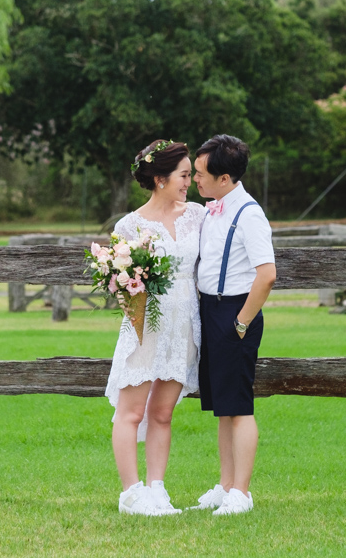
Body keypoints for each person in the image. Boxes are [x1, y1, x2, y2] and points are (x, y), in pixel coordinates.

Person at [106, 139, 205, 515]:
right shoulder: (130, 226)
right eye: (183, 175)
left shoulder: (197, 215)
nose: (189, 182)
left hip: (185, 324)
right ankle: (131, 494)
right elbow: (121, 285)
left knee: (163, 412)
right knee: (131, 412)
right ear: (161, 178)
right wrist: (141, 329)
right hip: (147, 325)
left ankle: (157, 488)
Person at [190, 134, 276, 516]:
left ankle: (241, 492)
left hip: (234, 315)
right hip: (211, 311)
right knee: (223, 406)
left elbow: (267, 275)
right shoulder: (214, 208)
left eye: (200, 173)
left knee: (239, 406)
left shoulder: (249, 214)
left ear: (224, 179)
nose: (194, 179)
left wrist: (241, 323)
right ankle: (225, 486)